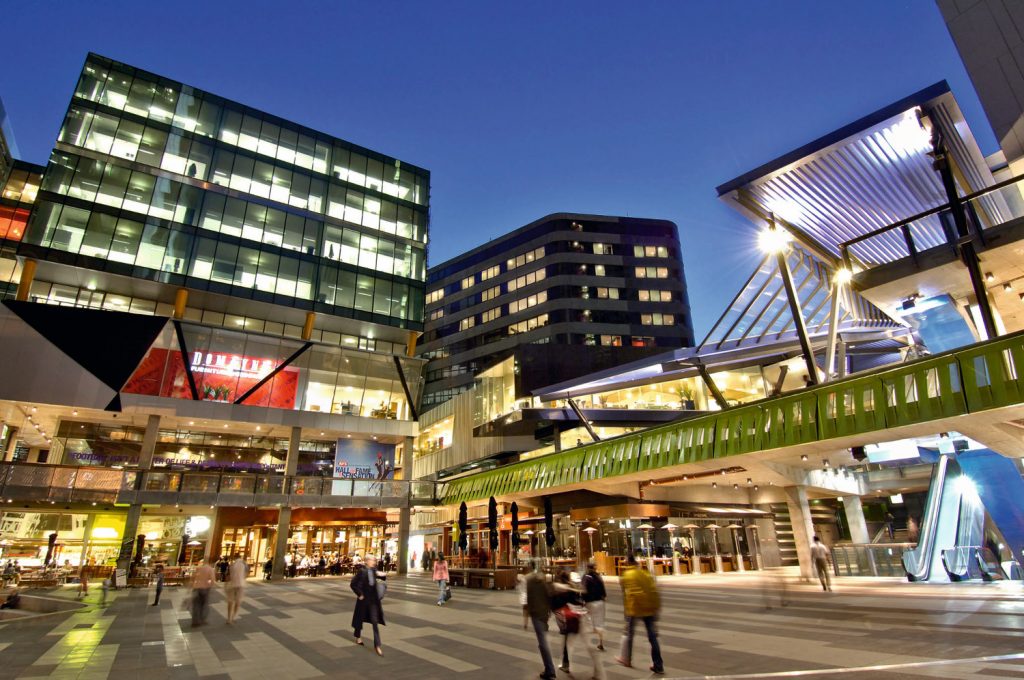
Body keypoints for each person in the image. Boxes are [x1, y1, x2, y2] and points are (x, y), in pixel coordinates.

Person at [552, 569, 606, 680]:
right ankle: (598, 672)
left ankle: (566, 665)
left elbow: (556, 599)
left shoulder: (564, 589)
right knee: (584, 644)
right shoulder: (572, 587)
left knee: (569, 643)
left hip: (574, 619)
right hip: (581, 616)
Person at [615, 554, 664, 675]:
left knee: (630, 635)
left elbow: (625, 594)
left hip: (634, 608)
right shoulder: (645, 574)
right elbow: (653, 589)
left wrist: (626, 611)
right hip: (649, 608)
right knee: (652, 637)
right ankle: (658, 665)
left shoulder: (626, 575)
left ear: (627, 563)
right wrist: (655, 608)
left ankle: (627, 659)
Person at [525, 560, 557, 680]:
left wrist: (525, 619)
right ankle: (549, 668)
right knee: (542, 642)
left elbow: (527, 600)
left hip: (536, 615)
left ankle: (550, 669)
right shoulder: (543, 580)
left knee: (543, 643)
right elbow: (549, 596)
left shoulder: (529, 580)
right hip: (544, 614)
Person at [350, 555, 386, 656]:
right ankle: (358, 636)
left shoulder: (375, 571)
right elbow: (353, 584)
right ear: (366, 561)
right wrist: (359, 594)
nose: (374, 561)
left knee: (375, 622)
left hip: (373, 601)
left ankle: (377, 645)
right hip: (363, 600)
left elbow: (381, 583)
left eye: (374, 560)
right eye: (372, 560)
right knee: (359, 619)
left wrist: (383, 576)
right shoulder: (362, 572)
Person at [582, 560, 607, 651]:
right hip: (600, 602)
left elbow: (584, 590)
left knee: (587, 621)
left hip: (590, 602)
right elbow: (603, 590)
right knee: (599, 622)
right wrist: (603, 597)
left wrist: (583, 601)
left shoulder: (586, 577)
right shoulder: (598, 577)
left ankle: (588, 641)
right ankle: (601, 643)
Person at [191, 557, 216, 627]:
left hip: (196, 588)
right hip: (205, 588)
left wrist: (193, 585)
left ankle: (195, 621)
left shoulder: (199, 568)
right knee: (204, 604)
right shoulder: (210, 569)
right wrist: (211, 587)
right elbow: (212, 580)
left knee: (196, 605)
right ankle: (202, 619)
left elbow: (193, 577)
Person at [226, 554, 248, 624]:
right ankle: (233, 617)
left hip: (232, 584)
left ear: (235, 558)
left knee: (230, 601)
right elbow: (246, 574)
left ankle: (229, 618)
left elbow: (228, 575)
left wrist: (225, 584)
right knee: (238, 601)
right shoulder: (244, 564)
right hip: (241, 584)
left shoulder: (232, 564)